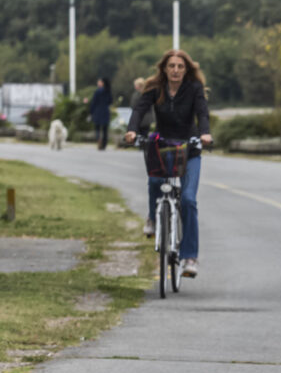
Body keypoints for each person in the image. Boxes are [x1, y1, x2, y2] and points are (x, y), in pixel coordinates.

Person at [125, 50, 213, 278]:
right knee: (155, 181)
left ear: (186, 69)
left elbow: (202, 113)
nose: (175, 70)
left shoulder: (194, 89)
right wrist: (132, 130)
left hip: (189, 147)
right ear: (164, 68)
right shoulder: (155, 87)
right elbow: (139, 110)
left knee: (188, 199)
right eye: (171, 66)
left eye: (180, 67)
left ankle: (190, 257)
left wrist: (205, 134)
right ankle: (153, 218)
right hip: (162, 145)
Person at [88, 77, 112, 150]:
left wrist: (91, 112)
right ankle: (104, 144)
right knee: (105, 129)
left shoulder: (97, 91)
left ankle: (98, 139)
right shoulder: (108, 91)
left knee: (97, 128)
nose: (98, 83)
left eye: (99, 82)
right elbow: (110, 101)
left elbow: (93, 102)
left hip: (97, 111)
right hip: (105, 111)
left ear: (102, 83)